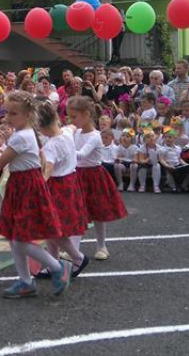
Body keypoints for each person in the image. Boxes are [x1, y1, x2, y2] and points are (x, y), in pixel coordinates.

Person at [0, 91, 71, 299]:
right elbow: (40, 155)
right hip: (21, 186)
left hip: (26, 187)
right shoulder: (29, 133)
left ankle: (57, 267)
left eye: (13, 114)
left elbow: (2, 160)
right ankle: (26, 281)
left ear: (28, 114)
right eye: (7, 113)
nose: (8, 118)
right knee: (14, 237)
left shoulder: (22, 136)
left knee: (20, 239)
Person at [67, 96, 127, 261]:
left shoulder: (95, 136)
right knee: (76, 212)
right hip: (77, 175)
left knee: (99, 214)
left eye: (74, 117)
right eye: (69, 117)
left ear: (86, 114)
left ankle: (101, 246)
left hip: (94, 176)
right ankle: (74, 249)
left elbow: (82, 154)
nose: (71, 121)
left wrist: (63, 148)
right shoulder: (76, 132)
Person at [33, 101, 88, 277]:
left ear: (40, 126)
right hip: (70, 183)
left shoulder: (51, 146)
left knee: (55, 229)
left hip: (57, 188)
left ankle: (77, 257)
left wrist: (37, 190)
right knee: (51, 228)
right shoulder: (65, 133)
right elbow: (72, 126)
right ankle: (52, 264)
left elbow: (47, 170)